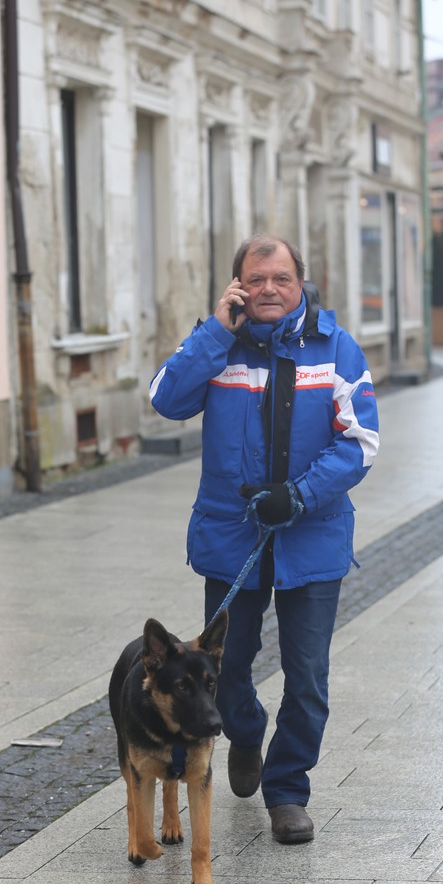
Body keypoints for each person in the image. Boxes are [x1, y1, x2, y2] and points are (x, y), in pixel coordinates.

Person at [149, 233, 379, 844]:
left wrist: (299, 495)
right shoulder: (217, 345)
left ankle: (287, 792)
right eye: (256, 280)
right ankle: (245, 733)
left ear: (300, 280)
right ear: (238, 288)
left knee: (307, 676)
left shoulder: (336, 349)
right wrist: (215, 333)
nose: (269, 290)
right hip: (232, 540)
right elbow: (165, 400)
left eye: (280, 278)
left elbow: (360, 443)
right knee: (223, 675)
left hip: (313, 536)